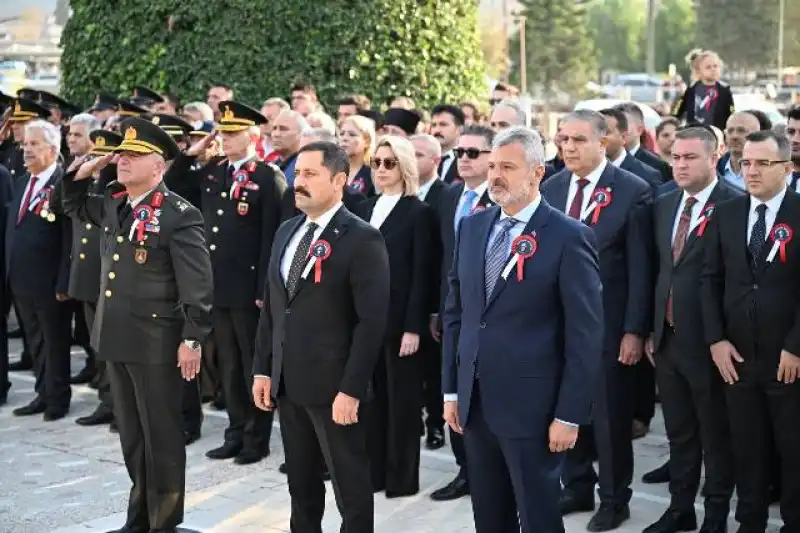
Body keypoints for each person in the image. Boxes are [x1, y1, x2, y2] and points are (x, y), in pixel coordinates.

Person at [441, 125, 603, 533]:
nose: (495, 175)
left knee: (538, 517)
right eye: (492, 165)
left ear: (537, 172)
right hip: (475, 405)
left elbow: (584, 336)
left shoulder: (569, 236)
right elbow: (457, 314)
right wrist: (451, 390)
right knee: (489, 517)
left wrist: (569, 415)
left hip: (534, 409)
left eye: (507, 167)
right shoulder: (474, 227)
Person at [62, 117, 213, 533]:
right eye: (120, 155)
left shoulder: (179, 215)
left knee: (161, 438)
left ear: (159, 166)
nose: (122, 161)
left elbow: (197, 288)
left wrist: (193, 340)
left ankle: (163, 522)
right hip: (117, 338)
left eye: (133, 156)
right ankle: (139, 519)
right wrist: (86, 169)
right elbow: (72, 203)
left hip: (156, 343)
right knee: (132, 437)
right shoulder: (115, 202)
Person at [252, 141, 390, 533]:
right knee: (301, 485)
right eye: (298, 174)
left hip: (335, 389)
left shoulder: (363, 238)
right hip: (289, 384)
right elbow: (274, 309)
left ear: (340, 180)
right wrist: (263, 369)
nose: (300, 182)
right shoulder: (287, 231)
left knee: (351, 489)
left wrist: (351, 389)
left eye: (311, 174)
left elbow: (371, 323)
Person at [542, 110, 653, 532]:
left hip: (609, 325)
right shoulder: (550, 188)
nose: (568, 147)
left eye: (578, 140)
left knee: (609, 416)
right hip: (559, 325)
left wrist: (634, 330)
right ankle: (576, 484)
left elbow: (641, 270)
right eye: (562, 139)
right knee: (567, 406)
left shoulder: (632, 190)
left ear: (603, 140)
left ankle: (614, 498)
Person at [701, 130, 800, 533]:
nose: (752, 171)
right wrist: (716, 339)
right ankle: (750, 520)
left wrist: (796, 347)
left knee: (792, 448)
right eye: (746, 163)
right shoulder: (728, 213)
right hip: (737, 356)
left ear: (788, 169)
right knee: (747, 446)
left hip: (786, 358)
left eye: (763, 163)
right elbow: (709, 280)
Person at [644, 127, 740, 533]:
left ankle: (715, 515)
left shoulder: (735, 204)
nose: (680, 165)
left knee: (716, 435)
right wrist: (651, 331)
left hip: (712, 343)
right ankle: (680, 508)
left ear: (714, 157)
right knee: (679, 433)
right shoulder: (664, 202)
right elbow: (660, 270)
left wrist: (721, 339)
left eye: (690, 158)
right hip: (667, 340)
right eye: (675, 157)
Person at [355, 136, 434, 497]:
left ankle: (401, 478)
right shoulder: (364, 207)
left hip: (400, 322)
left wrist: (413, 328)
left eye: (390, 163)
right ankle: (374, 473)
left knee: (402, 405)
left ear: (404, 167)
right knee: (371, 401)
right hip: (366, 321)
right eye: (377, 162)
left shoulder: (419, 212)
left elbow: (422, 274)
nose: (382, 170)